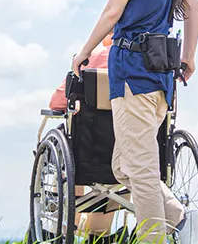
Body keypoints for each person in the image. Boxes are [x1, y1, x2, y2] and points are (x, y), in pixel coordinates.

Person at [71, 0, 198, 244]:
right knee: (123, 167)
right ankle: (184, 221)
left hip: (135, 75)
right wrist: (188, 57)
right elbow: (193, 5)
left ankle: (154, 239)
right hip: (158, 77)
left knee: (141, 171)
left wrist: (84, 51)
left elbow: (112, 11)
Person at [49, 32, 117, 242]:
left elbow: (57, 103)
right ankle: (99, 232)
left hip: (87, 153)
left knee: (69, 150)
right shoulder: (151, 65)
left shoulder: (96, 57)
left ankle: (58, 225)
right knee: (119, 172)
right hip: (129, 155)